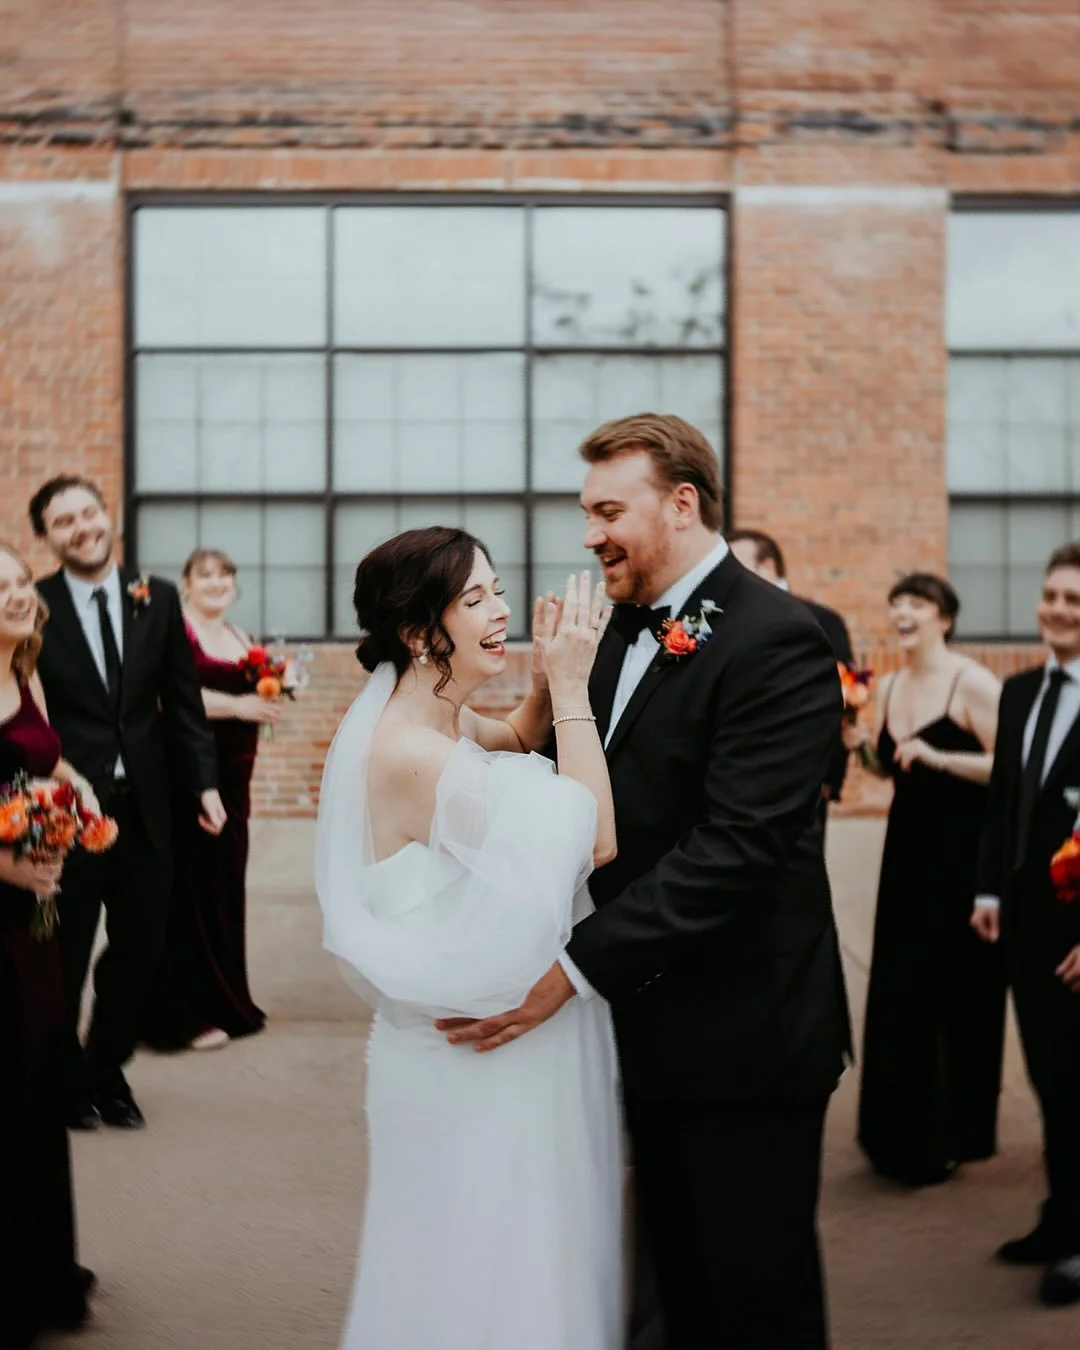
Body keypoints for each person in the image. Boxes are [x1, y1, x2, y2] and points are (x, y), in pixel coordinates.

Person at [443, 415, 852, 1350]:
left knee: (750, 1295)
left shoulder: (779, 641)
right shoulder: (614, 627)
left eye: (606, 511)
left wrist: (570, 971)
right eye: (584, 511)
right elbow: (550, 780)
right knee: (669, 1284)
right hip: (642, 1031)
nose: (588, 534)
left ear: (681, 503)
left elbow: (735, 851)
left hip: (743, 1038)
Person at [315, 529, 623, 1350]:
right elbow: (592, 841)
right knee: (477, 1267)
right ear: (421, 634)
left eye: (499, 590)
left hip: (467, 1046)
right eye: (477, 598)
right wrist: (570, 687)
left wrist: (547, 675)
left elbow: (516, 741)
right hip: (470, 1059)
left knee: (490, 1259)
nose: (502, 609)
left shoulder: (432, 717)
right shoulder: (412, 753)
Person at [29, 476, 225, 1131]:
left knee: (139, 950)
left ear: (106, 515)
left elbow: (184, 702)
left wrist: (204, 783)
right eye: (63, 522)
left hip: (147, 807)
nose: (80, 528)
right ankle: (59, 1080)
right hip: (69, 811)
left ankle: (105, 1071)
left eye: (87, 513)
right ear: (48, 537)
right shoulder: (33, 605)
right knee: (66, 952)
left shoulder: (158, 599)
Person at [847, 573, 1004, 1187]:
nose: (902, 612)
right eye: (897, 604)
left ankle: (951, 1134)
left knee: (955, 992)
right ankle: (895, 1132)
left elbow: (1008, 769)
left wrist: (940, 756)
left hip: (961, 858)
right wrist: (861, 745)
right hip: (907, 854)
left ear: (945, 617)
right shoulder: (885, 686)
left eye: (916, 603)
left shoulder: (974, 683)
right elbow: (891, 767)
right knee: (901, 987)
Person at [973, 543, 1080, 1307]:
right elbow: (1003, 806)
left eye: (1075, 600)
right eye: (1052, 595)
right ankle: (1059, 1216)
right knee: (1051, 1079)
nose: (1058, 610)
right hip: (1028, 927)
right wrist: (990, 893)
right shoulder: (1018, 694)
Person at [0, 542, 97, 1345]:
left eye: (17, 581)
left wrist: (74, 787)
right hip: (5, 897)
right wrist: (6, 862)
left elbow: (40, 754)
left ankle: (38, 1263)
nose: (15, 595)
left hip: (32, 913)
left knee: (35, 1070)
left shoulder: (22, 668)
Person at [140, 549, 276, 1053]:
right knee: (189, 895)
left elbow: (256, 692)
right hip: (191, 775)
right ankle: (181, 1013)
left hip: (236, 780)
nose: (217, 584)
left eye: (225, 576)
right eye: (206, 576)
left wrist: (270, 696)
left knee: (223, 890)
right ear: (186, 584)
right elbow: (165, 697)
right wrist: (241, 705)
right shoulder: (180, 631)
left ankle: (225, 999)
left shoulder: (242, 637)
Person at [729, 528, 855, 809]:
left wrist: (828, 778)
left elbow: (844, 699)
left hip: (805, 784)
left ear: (768, 566)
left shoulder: (822, 620)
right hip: (739, 780)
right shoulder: (728, 622)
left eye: (739, 567)